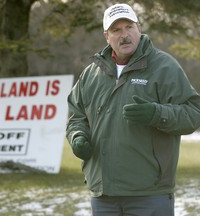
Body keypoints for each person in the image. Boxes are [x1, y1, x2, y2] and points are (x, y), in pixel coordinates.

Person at [66, 3, 200, 216]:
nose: (124, 35)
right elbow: (76, 116)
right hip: (103, 196)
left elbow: (194, 114)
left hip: (150, 195)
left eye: (129, 27)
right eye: (116, 30)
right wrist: (77, 136)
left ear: (139, 28)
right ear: (106, 36)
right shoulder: (91, 74)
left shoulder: (164, 67)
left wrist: (158, 114)